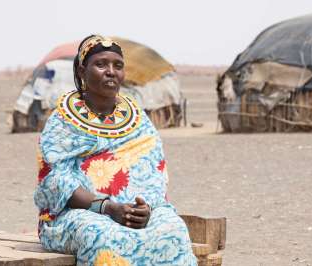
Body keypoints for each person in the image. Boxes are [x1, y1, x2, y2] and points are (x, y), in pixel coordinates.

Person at [33, 35, 197, 265]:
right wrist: (107, 207)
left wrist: (144, 208)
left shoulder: (138, 119)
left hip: (134, 211)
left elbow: (155, 172)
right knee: (102, 236)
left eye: (117, 65)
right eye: (101, 64)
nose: (111, 71)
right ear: (82, 71)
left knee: (173, 228)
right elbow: (55, 180)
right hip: (77, 215)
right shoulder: (62, 120)